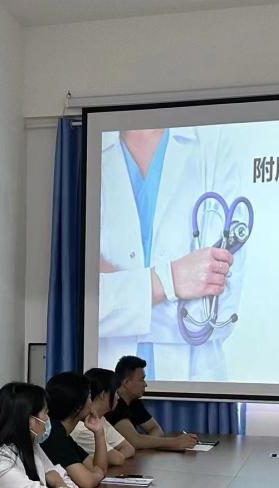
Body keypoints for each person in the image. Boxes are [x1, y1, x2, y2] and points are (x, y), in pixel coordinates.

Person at [97, 126, 246, 381]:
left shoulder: (216, 143)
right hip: (109, 380)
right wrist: (171, 280)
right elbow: (84, 306)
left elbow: (218, 314)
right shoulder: (92, 150)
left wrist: (118, 298)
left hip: (196, 384)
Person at [106, 355, 198, 451]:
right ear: (126, 382)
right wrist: (175, 442)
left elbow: (155, 429)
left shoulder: (133, 402)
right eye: (141, 379)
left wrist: (146, 443)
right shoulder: (114, 405)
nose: (145, 384)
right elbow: (134, 441)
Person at [41, 372, 110, 488]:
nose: (91, 402)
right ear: (78, 406)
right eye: (89, 397)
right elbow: (88, 481)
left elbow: (97, 468)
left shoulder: (61, 432)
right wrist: (99, 473)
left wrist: (99, 432)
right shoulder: (53, 435)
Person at [71, 367, 137, 466]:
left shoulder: (100, 418)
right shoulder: (82, 428)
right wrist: (112, 457)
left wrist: (110, 457)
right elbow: (117, 459)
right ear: (103, 394)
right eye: (115, 392)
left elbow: (129, 448)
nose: (118, 397)